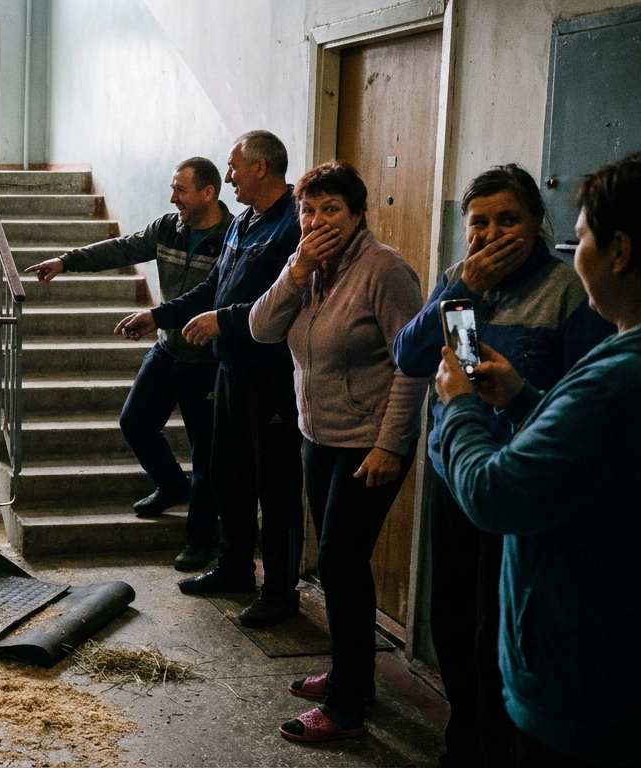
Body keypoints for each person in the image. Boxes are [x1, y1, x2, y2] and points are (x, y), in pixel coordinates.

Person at [433, 149, 641, 767]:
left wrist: (459, 405)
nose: (576, 249)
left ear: (619, 252)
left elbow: (496, 494)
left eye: (582, 235)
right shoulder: (637, 355)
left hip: (584, 694)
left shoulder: (626, 374)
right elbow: (588, 443)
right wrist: (520, 397)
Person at [392, 164, 614, 766]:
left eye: (508, 220)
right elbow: (409, 357)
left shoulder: (566, 292)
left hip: (516, 487)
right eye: (479, 224)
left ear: (538, 222)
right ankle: (463, 743)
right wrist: (455, 287)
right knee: (452, 625)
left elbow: (577, 403)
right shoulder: (460, 284)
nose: (492, 236)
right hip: (451, 479)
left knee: (498, 637)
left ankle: (494, 749)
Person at [249, 161, 427, 741]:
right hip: (318, 436)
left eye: (332, 210)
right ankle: (354, 675)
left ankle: (348, 708)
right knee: (337, 562)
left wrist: (390, 445)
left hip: (367, 445)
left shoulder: (385, 270)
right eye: (309, 209)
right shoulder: (305, 268)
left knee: (340, 564)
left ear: (357, 215)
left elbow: (413, 364)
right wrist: (298, 271)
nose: (318, 220)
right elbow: (261, 328)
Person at [121, 130, 305, 628]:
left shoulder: (294, 224)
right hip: (230, 368)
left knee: (277, 486)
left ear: (261, 168)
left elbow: (282, 301)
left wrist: (222, 320)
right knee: (228, 473)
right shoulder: (244, 222)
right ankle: (234, 566)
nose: (228, 178)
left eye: (234, 167)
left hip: (273, 374)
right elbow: (212, 288)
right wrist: (159, 316)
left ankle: (281, 591)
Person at [23, 157, 231, 571]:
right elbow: (120, 248)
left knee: (206, 458)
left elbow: (209, 297)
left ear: (208, 193)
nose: (173, 198)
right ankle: (173, 485)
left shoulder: (233, 237)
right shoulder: (168, 228)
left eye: (181, 191)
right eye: (173, 189)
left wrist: (155, 315)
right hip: (168, 350)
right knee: (135, 422)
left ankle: (200, 540)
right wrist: (66, 261)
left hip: (207, 362)